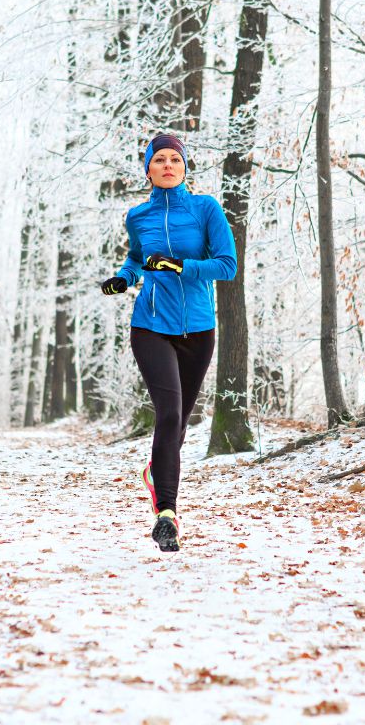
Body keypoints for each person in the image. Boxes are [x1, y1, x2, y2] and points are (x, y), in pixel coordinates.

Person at [100, 134, 237, 552]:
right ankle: (167, 515)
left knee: (177, 425)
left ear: (184, 168)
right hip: (151, 326)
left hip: (197, 329)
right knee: (170, 413)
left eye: (175, 159)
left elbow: (227, 266)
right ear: (148, 170)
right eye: (158, 159)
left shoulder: (205, 209)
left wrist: (180, 265)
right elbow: (137, 259)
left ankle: (157, 473)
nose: (167, 165)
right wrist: (126, 277)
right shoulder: (138, 216)